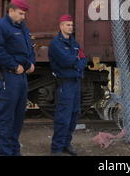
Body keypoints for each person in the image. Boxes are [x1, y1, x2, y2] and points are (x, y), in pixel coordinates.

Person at [0, 0, 35, 156]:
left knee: (18, 118)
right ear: (11, 10)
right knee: (6, 119)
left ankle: (14, 151)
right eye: (21, 13)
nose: (23, 17)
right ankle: (4, 153)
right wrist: (14, 65)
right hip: (8, 77)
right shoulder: (0, 26)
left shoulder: (22, 27)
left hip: (21, 79)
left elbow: (29, 48)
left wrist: (31, 63)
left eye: (24, 14)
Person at [49, 14, 87, 156]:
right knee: (63, 117)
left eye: (71, 25)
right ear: (61, 26)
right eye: (67, 25)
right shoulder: (55, 44)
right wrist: (76, 61)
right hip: (65, 84)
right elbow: (65, 61)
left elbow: (83, 59)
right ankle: (57, 148)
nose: (70, 27)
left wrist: (76, 62)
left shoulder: (75, 43)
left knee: (73, 115)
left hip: (75, 83)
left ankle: (66, 144)